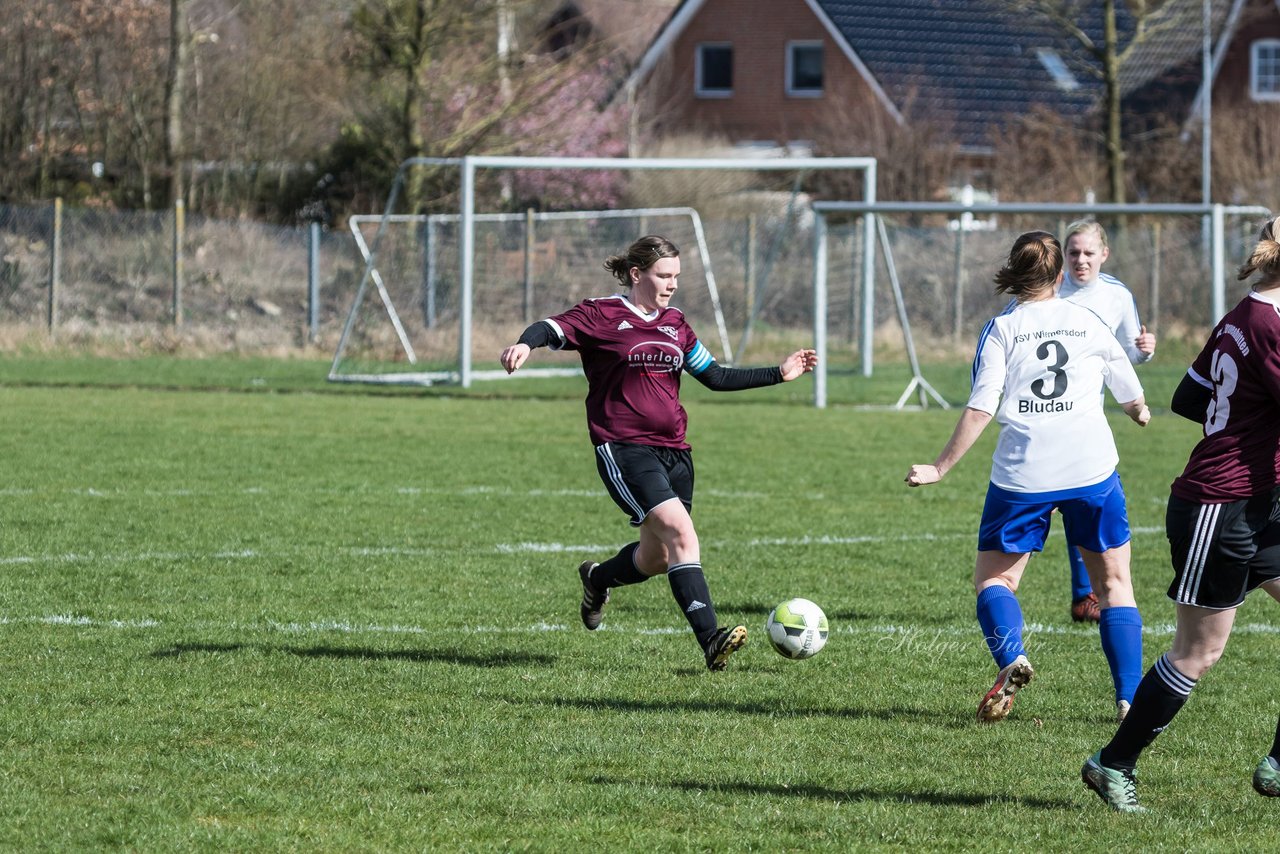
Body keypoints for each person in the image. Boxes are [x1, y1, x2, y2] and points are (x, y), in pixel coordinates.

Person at [499, 235, 818, 671]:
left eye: (676, 277)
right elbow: (550, 328)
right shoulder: (601, 313)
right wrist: (524, 343)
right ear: (637, 274)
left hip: (676, 453)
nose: (671, 285)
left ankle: (597, 579)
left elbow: (716, 376)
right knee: (682, 535)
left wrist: (779, 375)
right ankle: (711, 641)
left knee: (658, 557)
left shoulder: (676, 323)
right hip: (624, 448)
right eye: (663, 275)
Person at [905, 230, 1151, 724]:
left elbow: (980, 407)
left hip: (1024, 473)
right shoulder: (1087, 318)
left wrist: (940, 467)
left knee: (995, 579)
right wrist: (1138, 410)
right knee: (1115, 586)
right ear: (1060, 276)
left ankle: (1012, 657)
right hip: (1091, 468)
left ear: (1014, 273)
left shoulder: (1002, 329)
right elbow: (1125, 383)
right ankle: (1129, 701)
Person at [1083, 216, 1280, 813]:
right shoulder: (1268, 324)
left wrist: (1243, 426)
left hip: (1257, 502)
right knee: (1199, 651)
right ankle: (1112, 763)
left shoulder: (1247, 315)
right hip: (1218, 509)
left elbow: (1190, 397)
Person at [1057, 221, 1157, 624]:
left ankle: (1086, 595)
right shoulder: (1049, 287)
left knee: (1079, 501)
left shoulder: (1116, 295)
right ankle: (1002, 585)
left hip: (1086, 416)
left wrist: (1145, 352)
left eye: (1088, 253)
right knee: (1054, 502)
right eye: (1073, 253)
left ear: (1104, 254)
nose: (1080, 260)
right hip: (1042, 414)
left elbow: (1128, 355)